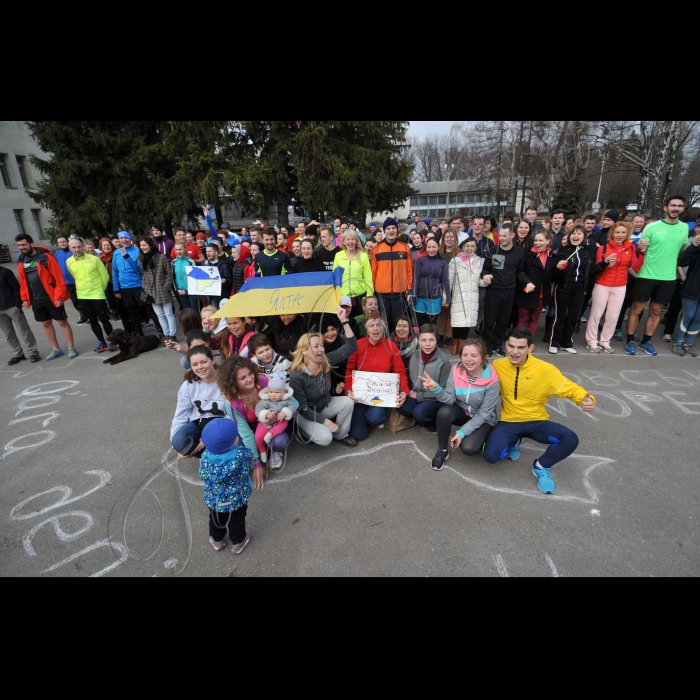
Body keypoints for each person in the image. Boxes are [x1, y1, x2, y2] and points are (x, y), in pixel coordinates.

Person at [483, 327, 596, 495]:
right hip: (509, 422)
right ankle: (515, 440)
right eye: (512, 346)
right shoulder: (498, 365)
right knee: (490, 456)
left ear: (531, 348)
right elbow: (477, 377)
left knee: (570, 439)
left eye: (521, 347)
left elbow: (570, 388)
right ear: (506, 345)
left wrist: (586, 400)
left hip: (537, 422)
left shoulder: (545, 369)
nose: (515, 352)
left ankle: (541, 466)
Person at [421, 338, 501, 471]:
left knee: (469, 448)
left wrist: (462, 432)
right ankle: (442, 450)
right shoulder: (456, 370)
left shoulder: (492, 380)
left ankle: (487, 437)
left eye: (474, 355)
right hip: (464, 412)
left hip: (484, 418)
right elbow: (450, 400)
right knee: (444, 412)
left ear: (482, 357)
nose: (468, 359)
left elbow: (484, 414)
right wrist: (436, 388)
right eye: (465, 355)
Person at [626, 195, 690, 356]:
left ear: (683, 209)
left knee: (656, 310)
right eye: (673, 205)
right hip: (647, 274)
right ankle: (630, 340)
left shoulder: (684, 228)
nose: (676, 208)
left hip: (668, 277)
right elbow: (641, 249)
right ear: (665, 208)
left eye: (679, 206)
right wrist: (641, 248)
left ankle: (646, 341)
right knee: (637, 308)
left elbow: (683, 252)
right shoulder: (652, 227)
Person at [289, 306, 358, 447]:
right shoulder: (296, 375)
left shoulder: (326, 360)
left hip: (323, 405)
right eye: (316, 347)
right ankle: (304, 430)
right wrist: (325, 421)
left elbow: (351, 347)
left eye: (321, 345)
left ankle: (341, 434)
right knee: (326, 439)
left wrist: (344, 321)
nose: (321, 349)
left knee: (348, 402)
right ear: (305, 352)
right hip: (304, 413)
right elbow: (302, 408)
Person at [345, 313, 410, 442]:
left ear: (384, 327)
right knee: (357, 435)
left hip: (381, 396)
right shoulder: (357, 346)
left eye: (379, 325)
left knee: (375, 418)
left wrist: (404, 391)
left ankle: (376, 415)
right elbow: (349, 370)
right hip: (361, 396)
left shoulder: (391, 346)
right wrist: (348, 391)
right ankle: (365, 415)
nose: (376, 329)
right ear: (366, 329)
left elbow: (400, 372)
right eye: (372, 326)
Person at [15, 233, 77, 361]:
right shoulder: (21, 260)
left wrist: (59, 296)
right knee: (46, 323)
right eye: (19, 245)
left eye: (23, 244)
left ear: (31, 244)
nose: (21, 247)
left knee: (61, 322)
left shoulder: (45, 257)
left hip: (52, 296)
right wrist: (25, 298)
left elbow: (59, 278)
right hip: (36, 299)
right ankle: (56, 349)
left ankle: (71, 347)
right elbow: (23, 281)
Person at [585, 221, 645, 354]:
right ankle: (591, 341)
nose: (620, 235)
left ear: (627, 234)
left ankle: (605, 341)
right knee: (596, 315)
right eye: (617, 232)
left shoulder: (631, 248)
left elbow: (635, 266)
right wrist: (606, 263)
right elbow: (596, 268)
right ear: (612, 233)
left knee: (613, 316)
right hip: (602, 284)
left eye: (623, 232)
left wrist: (642, 253)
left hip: (620, 286)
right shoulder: (604, 248)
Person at [199, 417, 256, 554]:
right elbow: (249, 464)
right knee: (237, 519)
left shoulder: (205, 457)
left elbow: (202, 474)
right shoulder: (241, 454)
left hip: (215, 498)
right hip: (238, 497)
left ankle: (217, 540)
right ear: (233, 441)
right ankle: (238, 542)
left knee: (216, 518)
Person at [481, 224, 534, 358]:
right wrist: (485, 276)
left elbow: (520, 272)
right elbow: (485, 269)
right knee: (489, 321)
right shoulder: (492, 251)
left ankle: (498, 345)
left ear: (512, 236)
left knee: (503, 322)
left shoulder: (519, 253)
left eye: (505, 236)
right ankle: (487, 345)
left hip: (510, 292)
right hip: (493, 292)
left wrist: (528, 282)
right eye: (500, 236)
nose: (502, 238)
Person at [170, 346, 230, 458]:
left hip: (222, 424)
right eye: (195, 364)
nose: (200, 367)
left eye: (203, 362)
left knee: (218, 442)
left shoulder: (226, 381)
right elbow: (180, 415)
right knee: (179, 442)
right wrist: (175, 444)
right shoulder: (189, 385)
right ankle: (210, 455)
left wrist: (209, 436)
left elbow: (234, 414)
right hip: (199, 423)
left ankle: (215, 454)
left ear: (212, 360)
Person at [395, 323, 450, 432]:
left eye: (431, 340)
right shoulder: (415, 356)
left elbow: (445, 391)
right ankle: (420, 416)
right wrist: (404, 392)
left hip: (435, 399)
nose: (427, 344)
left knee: (419, 413)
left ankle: (434, 422)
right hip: (417, 395)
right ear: (419, 341)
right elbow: (410, 380)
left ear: (437, 340)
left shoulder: (443, 361)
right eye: (424, 340)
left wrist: (419, 396)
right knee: (400, 406)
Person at [66, 237, 115, 353]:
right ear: (70, 249)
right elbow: (75, 276)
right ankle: (101, 342)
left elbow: (105, 276)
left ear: (83, 247)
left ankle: (112, 341)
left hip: (97, 293)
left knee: (103, 319)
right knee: (92, 320)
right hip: (83, 295)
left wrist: (100, 289)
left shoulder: (94, 259)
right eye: (74, 247)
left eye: (79, 246)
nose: (77, 249)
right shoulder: (69, 262)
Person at [549, 225, 594, 353]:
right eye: (573, 233)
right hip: (563, 287)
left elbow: (592, 271)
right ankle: (554, 342)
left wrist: (605, 262)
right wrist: (558, 267)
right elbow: (553, 276)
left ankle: (567, 343)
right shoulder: (563, 251)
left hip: (580, 289)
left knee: (573, 317)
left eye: (579, 233)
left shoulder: (587, 253)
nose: (575, 236)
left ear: (584, 237)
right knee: (560, 316)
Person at [371, 217, 413, 334]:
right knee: (383, 324)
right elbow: (373, 272)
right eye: (388, 228)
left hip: (399, 295)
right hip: (381, 295)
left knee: (398, 324)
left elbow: (409, 270)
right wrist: (373, 291)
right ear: (384, 231)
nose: (391, 231)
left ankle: (396, 348)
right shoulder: (377, 249)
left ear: (397, 229)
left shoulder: (404, 248)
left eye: (393, 228)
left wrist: (409, 289)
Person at [516, 230, 556, 343]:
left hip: (542, 294)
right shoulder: (527, 255)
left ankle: (528, 343)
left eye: (540, 240)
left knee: (534, 319)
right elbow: (520, 272)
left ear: (548, 241)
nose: (537, 243)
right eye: (536, 240)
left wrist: (560, 268)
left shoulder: (553, 257)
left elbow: (554, 276)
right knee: (523, 319)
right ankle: (519, 342)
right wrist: (527, 283)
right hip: (527, 292)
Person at [448, 234, 483, 355]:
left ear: (476, 248)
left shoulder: (478, 261)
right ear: (463, 247)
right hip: (459, 296)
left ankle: (462, 345)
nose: (470, 248)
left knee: (467, 323)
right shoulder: (455, 261)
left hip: (472, 297)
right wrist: (446, 297)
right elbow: (449, 280)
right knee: (457, 323)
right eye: (467, 246)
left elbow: (479, 281)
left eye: (472, 246)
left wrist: (486, 281)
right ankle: (455, 344)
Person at [138, 237, 178, 342]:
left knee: (168, 313)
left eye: (145, 245)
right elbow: (144, 275)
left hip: (162, 290)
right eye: (141, 245)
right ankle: (166, 334)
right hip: (150, 291)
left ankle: (172, 334)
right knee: (159, 315)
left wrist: (166, 286)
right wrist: (145, 287)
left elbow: (169, 273)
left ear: (150, 245)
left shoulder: (161, 257)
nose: (143, 247)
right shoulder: (142, 258)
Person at [254, 371, 297, 467]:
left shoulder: (287, 400)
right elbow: (258, 409)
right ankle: (262, 452)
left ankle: (270, 434)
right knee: (257, 437)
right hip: (266, 422)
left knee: (284, 424)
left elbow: (292, 407)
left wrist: (285, 412)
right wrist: (266, 414)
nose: (273, 395)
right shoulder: (265, 400)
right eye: (271, 392)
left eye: (277, 392)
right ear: (268, 391)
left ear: (284, 392)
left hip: (279, 422)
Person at [0, 263, 40, 364]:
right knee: (8, 334)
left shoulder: (5, 272)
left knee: (24, 330)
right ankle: (18, 354)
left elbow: (16, 288)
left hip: (12, 307)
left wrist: (17, 305)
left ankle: (33, 352)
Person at [112, 231, 147, 337]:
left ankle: (158, 329)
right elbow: (114, 271)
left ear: (130, 239)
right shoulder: (116, 253)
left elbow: (139, 270)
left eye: (126, 238)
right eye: (121, 238)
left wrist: (127, 258)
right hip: (125, 287)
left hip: (139, 285)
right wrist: (116, 288)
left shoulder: (137, 251)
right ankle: (139, 333)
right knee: (132, 311)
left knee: (146, 306)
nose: (124, 240)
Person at [412, 237, 451, 329]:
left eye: (434, 247)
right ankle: (419, 342)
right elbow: (416, 279)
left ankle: (431, 342)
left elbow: (445, 280)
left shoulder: (443, 262)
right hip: (420, 298)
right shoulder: (420, 260)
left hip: (435, 299)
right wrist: (413, 295)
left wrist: (448, 297)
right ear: (426, 247)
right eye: (429, 247)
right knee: (420, 325)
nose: (431, 250)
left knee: (431, 326)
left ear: (439, 247)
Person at [672, 230, 700, 357]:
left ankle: (688, 344)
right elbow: (682, 261)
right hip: (691, 287)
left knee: (698, 318)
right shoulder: (696, 248)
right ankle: (677, 343)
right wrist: (693, 246)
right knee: (688, 315)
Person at [334, 231, 373, 318]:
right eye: (348, 239)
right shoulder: (338, 256)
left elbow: (368, 277)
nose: (350, 242)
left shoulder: (363, 256)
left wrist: (369, 296)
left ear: (356, 242)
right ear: (343, 242)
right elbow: (335, 278)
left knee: (359, 322)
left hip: (359, 296)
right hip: (343, 296)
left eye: (353, 239)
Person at [53, 235, 88, 324]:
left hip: (78, 280)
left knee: (84, 299)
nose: (62, 243)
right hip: (66, 283)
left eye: (63, 241)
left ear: (67, 242)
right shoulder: (57, 254)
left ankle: (91, 316)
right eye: (60, 242)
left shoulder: (73, 252)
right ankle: (83, 316)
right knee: (75, 301)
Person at [172, 242, 199, 311]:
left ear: (185, 249)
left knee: (194, 312)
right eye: (176, 249)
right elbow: (173, 277)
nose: (178, 251)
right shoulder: (174, 262)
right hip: (180, 291)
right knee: (186, 312)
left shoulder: (190, 261)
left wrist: (187, 290)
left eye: (180, 249)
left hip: (191, 291)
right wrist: (177, 289)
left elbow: (195, 278)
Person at [98, 238, 120, 320]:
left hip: (116, 278)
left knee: (117, 296)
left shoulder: (116, 254)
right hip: (105, 281)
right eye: (104, 245)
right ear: (101, 247)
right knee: (109, 296)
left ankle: (120, 311)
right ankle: (114, 312)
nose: (106, 247)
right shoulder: (99, 257)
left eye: (108, 245)